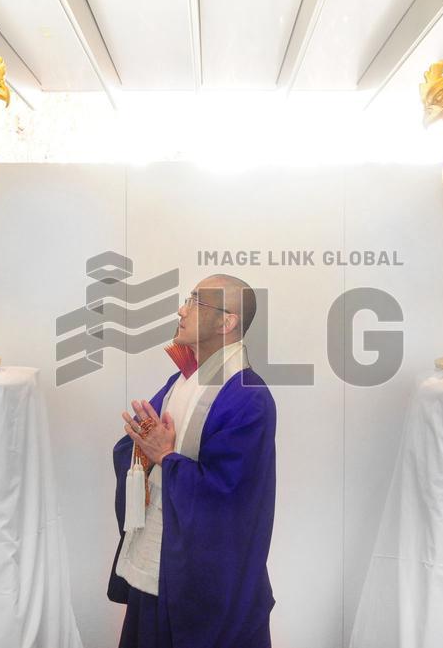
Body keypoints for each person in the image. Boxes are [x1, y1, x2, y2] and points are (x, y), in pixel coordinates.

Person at [108, 274, 276, 648]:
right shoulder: (182, 379)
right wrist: (143, 450)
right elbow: (140, 447)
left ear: (227, 322)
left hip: (201, 582)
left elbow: (230, 497)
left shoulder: (249, 398)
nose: (182, 310)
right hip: (158, 562)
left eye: (196, 302)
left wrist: (165, 456)